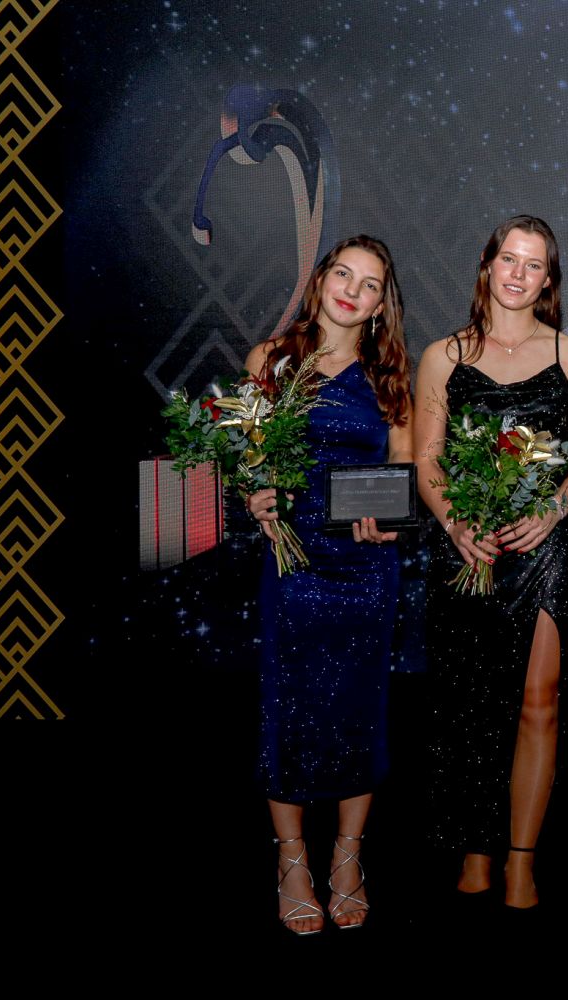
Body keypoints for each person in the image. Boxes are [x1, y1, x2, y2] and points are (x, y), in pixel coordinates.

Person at [414, 215, 568, 909]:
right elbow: (428, 461)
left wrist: (552, 511)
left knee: (537, 704)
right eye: (509, 260)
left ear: (548, 279)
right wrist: (455, 523)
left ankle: (522, 856)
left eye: (534, 264)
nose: (519, 274)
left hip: (543, 547)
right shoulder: (444, 355)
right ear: (488, 266)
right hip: (470, 547)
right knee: (469, 702)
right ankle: (476, 847)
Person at [245, 233, 413, 934]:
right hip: (294, 562)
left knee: (358, 710)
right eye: (343, 274)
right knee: (287, 709)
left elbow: (403, 470)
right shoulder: (270, 360)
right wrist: (257, 497)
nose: (353, 290)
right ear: (320, 281)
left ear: (380, 305)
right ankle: (291, 862)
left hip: (365, 569)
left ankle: (347, 859)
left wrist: (389, 518)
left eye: (370, 284)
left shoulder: (391, 378)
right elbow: (253, 459)